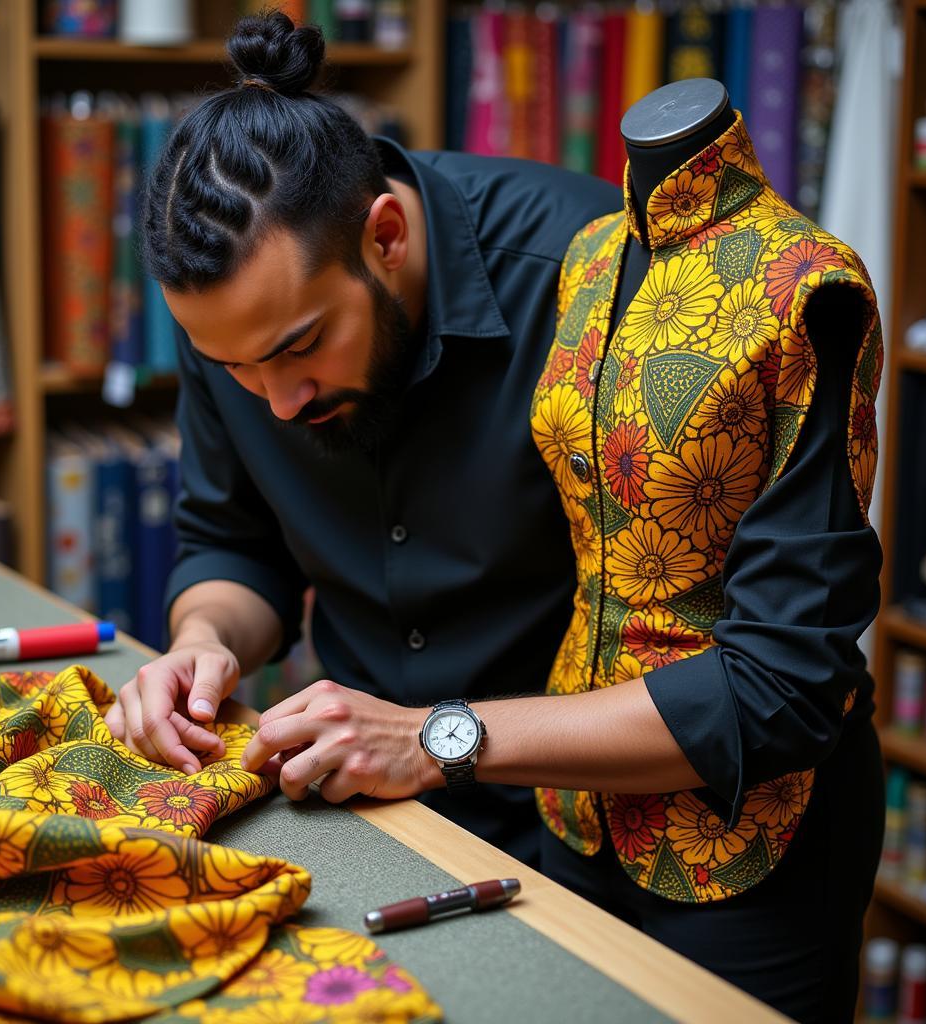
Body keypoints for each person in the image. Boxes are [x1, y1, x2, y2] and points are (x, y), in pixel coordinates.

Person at [103, 11, 621, 867]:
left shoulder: (590, 281)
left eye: (298, 347)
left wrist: (430, 736)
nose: (277, 402)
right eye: (232, 366)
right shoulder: (242, 335)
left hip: (626, 826)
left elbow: (722, 663)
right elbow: (234, 546)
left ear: (386, 236)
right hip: (385, 815)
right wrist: (203, 644)